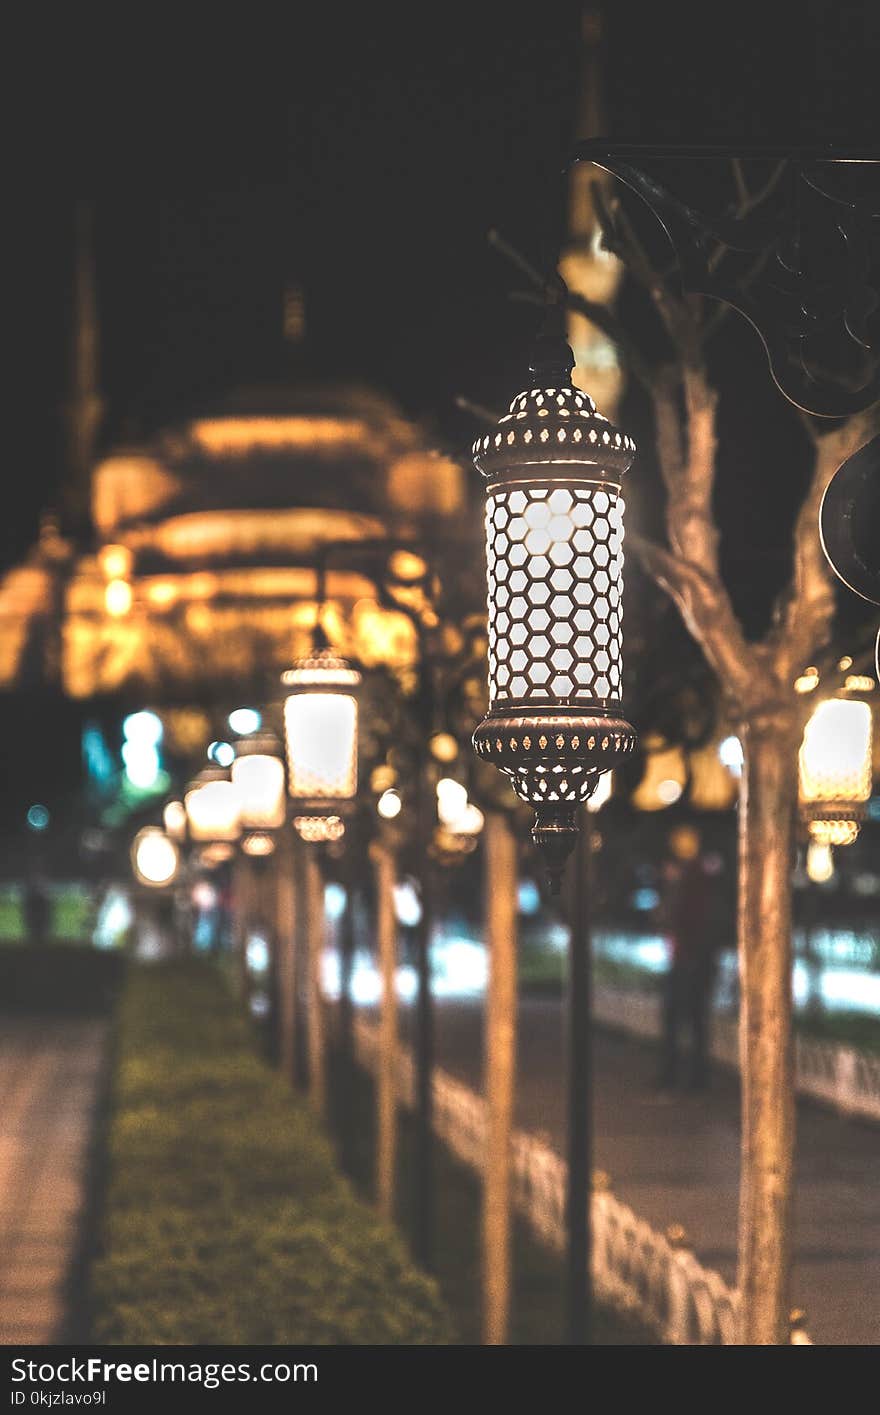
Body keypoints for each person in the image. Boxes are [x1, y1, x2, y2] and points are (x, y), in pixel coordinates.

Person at [657, 825, 716, 1092]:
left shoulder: (695, 876)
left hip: (691, 958)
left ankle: (691, 1076)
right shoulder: (685, 875)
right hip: (684, 956)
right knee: (682, 1018)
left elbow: (693, 917)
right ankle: (680, 1074)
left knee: (689, 1019)